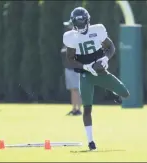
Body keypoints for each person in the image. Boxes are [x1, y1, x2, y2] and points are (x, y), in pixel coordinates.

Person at [62, 7, 130, 150]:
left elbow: (110, 46)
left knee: (125, 94)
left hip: (100, 73)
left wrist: (105, 59)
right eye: (77, 23)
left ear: (87, 21)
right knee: (87, 109)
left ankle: (114, 93)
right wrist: (86, 67)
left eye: (81, 23)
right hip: (87, 75)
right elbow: (70, 59)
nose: (80, 26)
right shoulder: (71, 36)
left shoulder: (97, 30)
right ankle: (91, 141)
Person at [61, 20, 82, 116]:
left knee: (75, 89)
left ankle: (77, 109)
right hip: (70, 68)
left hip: (74, 68)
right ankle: (75, 108)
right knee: (74, 89)